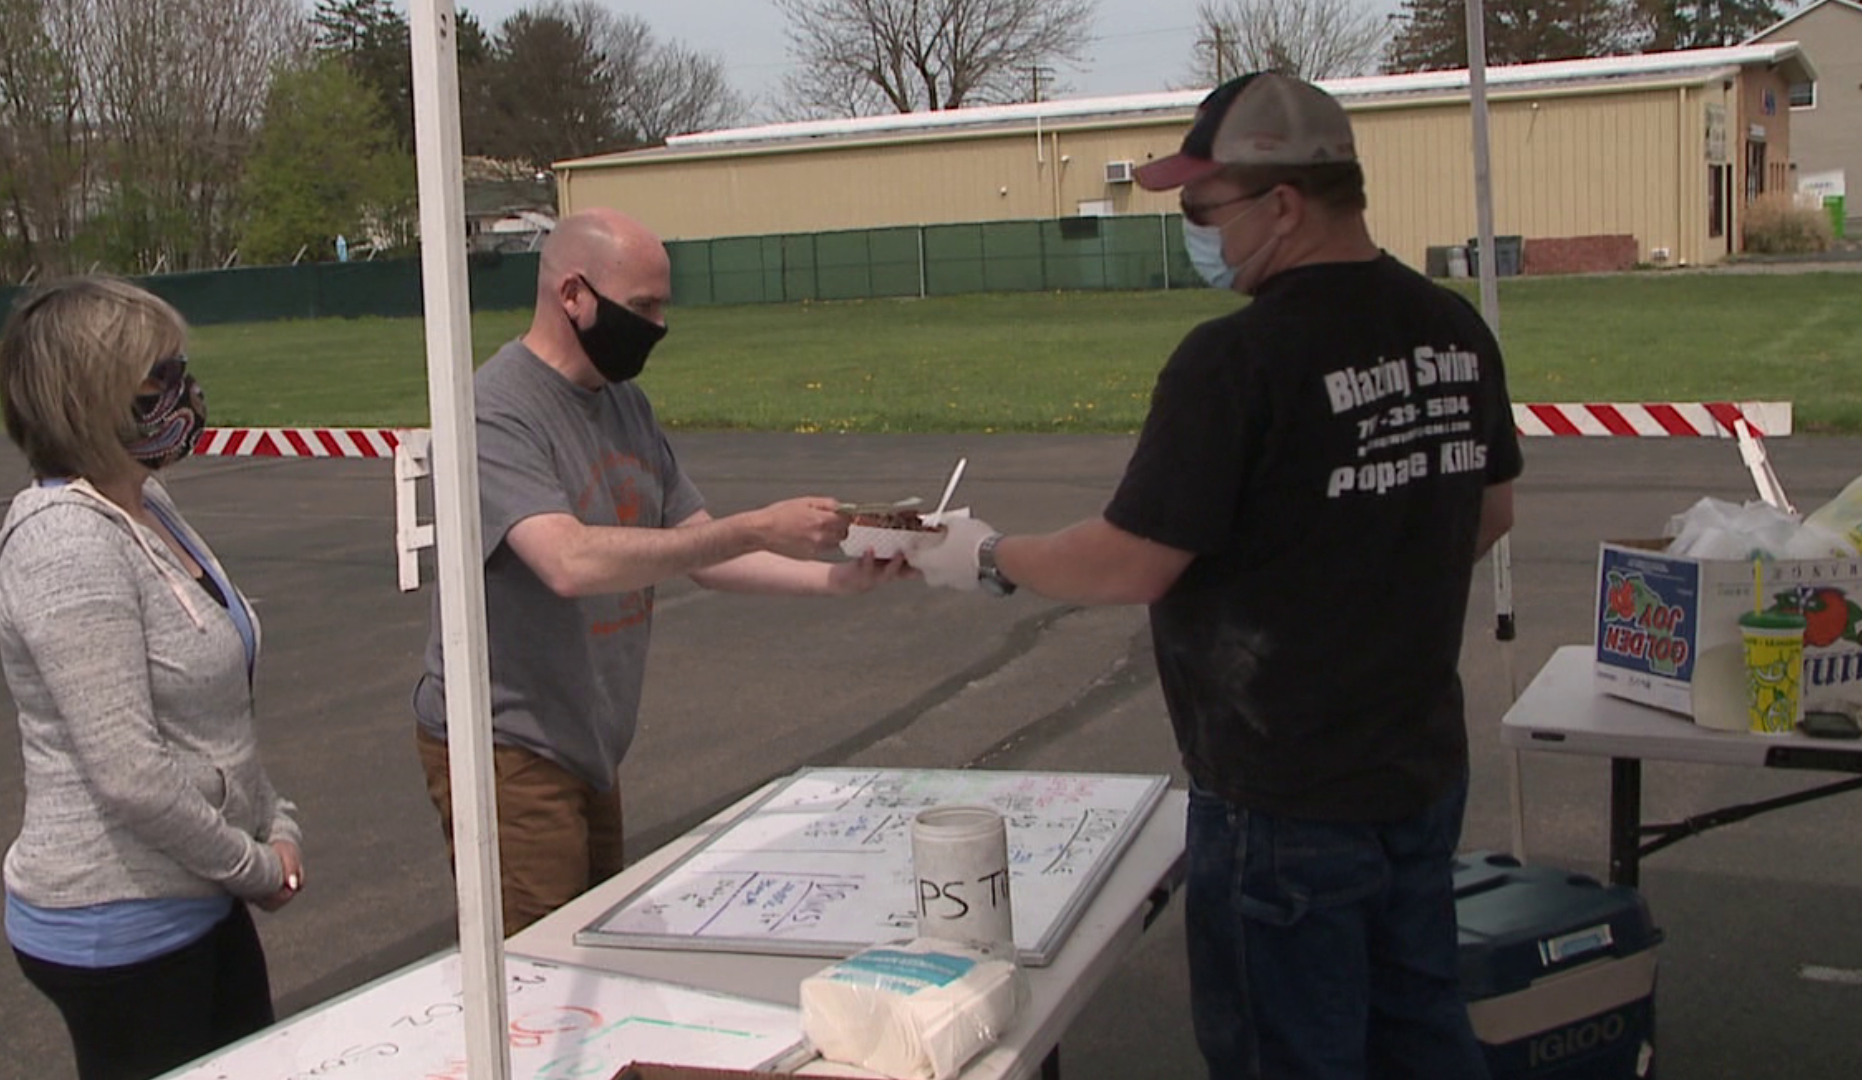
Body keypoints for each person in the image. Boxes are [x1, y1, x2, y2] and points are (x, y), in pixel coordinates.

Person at [912, 72, 1521, 1080]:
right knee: (1420, 1029)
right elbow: (1488, 510)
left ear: (1282, 204)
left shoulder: (1236, 359)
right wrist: (1367, 571)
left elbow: (1133, 558)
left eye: (1204, 209)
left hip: (1281, 798)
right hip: (1418, 775)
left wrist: (983, 555)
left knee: (1290, 1055)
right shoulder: (1452, 327)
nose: (1197, 231)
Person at [412, 207, 907, 937]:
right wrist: (760, 524)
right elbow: (568, 561)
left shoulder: (626, 407)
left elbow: (701, 551)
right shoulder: (493, 411)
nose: (658, 327)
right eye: (642, 307)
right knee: (538, 969)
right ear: (573, 295)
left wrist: (838, 577)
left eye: (662, 307)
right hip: (506, 743)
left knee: (591, 942)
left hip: (587, 742)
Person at [0, 277, 304, 1080]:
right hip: (118, 926)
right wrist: (255, 866)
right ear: (91, 397)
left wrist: (278, 819)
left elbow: (212, 715)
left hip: (197, 896)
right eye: (160, 375)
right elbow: (129, 773)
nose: (185, 390)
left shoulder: (145, 504)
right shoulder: (66, 548)